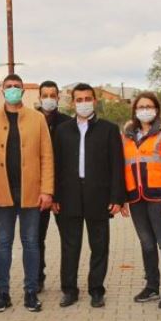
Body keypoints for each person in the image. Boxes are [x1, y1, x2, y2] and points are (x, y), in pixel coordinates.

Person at [0, 74, 54, 313]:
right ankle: (3, 293)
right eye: (8, 86)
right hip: (2, 194)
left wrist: (47, 191)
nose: (12, 90)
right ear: (2, 90)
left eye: (17, 87)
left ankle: (31, 292)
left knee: (31, 243)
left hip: (31, 192)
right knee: (3, 244)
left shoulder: (37, 118)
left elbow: (47, 157)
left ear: (23, 91)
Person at [52, 83, 126, 308]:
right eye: (79, 99)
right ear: (72, 102)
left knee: (99, 244)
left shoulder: (108, 129)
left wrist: (117, 197)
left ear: (95, 101)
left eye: (87, 98)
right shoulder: (62, 130)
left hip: (99, 195)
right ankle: (69, 290)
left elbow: (117, 165)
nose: (83, 103)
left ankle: (96, 290)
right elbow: (55, 164)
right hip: (68, 195)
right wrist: (54, 196)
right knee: (70, 245)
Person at [122, 92, 161, 309]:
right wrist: (123, 199)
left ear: (156, 109)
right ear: (135, 111)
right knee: (147, 244)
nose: (145, 110)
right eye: (141, 106)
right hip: (137, 199)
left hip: (160, 198)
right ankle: (152, 286)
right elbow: (124, 167)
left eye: (149, 106)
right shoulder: (128, 135)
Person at [35, 80, 73, 294]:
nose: (49, 98)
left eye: (52, 95)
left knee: (67, 238)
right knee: (36, 238)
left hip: (62, 193)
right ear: (39, 98)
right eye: (45, 95)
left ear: (58, 98)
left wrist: (57, 193)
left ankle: (68, 282)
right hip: (37, 192)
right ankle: (37, 277)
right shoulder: (31, 121)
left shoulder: (68, 123)